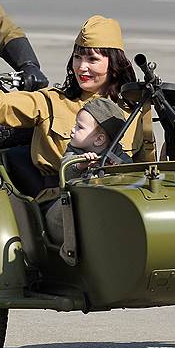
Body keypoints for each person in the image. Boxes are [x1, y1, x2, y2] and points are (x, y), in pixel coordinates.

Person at [0, 12, 156, 180]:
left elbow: (148, 168)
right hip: (61, 201)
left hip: (119, 198)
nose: (82, 67)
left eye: (92, 59)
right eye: (77, 58)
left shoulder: (134, 109)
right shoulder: (50, 102)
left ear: (114, 64)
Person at [44, 98, 130, 256]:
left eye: (79, 127)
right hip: (73, 204)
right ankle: (69, 249)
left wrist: (116, 168)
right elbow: (66, 167)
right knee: (55, 216)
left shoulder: (116, 153)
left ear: (99, 140)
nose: (72, 130)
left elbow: (130, 171)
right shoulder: (75, 150)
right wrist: (81, 165)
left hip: (103, 206)